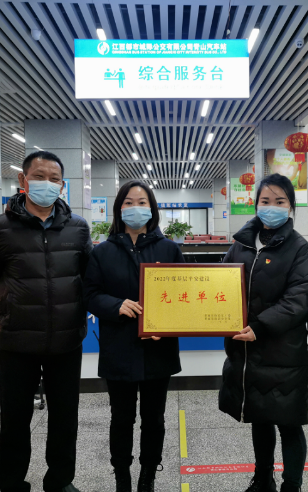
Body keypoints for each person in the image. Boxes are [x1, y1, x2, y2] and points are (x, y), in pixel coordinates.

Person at [0, 151, 93, 492]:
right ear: (23, 180)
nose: (47, 184)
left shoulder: (77, 228)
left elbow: (86, 277)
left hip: (66, 339)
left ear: (62, 185)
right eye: (39, 176)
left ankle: (60, 481)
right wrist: (10, 309)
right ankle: (12, 484)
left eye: (54, 179)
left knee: (65, 417)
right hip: (18, 339)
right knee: (15, 418)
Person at [83, 180, 184, 492]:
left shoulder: (169, 249)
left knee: (154, 419)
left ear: (152, 209)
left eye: (142, 202)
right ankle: (122, 476)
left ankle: (148, 476)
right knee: (121, 418)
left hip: (158, 350)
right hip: (119, 347)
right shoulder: (102, 252)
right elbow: (90, 294)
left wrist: (165, 326)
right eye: (128, 202)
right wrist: (116, 305)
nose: (135, 208)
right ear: (119, 209)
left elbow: (184, 298)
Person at [218, 174, 308, 492]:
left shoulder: (299, 249)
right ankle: (262, 480)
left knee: (289, 423)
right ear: (256, 204)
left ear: (290, 207)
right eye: (265, 201)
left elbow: (298, 299)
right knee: (259, 418)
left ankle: (292, 485)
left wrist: (259, 327)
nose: (271, 207)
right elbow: (219, 284)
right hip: (247, 352)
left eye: (280, 201)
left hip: (282, 351)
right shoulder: (241, 244)